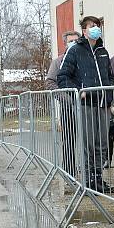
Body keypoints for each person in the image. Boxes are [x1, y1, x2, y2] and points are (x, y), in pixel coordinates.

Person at [57, 16, 114, 193]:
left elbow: (110, 77)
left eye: (97, 26)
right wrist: (78, 90)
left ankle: (98, 179)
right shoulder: (75, 50)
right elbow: (62, 77)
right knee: (89, 144)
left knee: (102, 144)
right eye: (92, 26)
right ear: (84, 31)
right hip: (87, 104)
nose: (96, 28)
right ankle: (89, 180)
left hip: (103, 104)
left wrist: (110, 96)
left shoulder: (102, 51)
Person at [46, 30, 81, 177]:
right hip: (68, 106)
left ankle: (89, 171)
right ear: (65, 43)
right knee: (69, 140)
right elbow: (50, 82)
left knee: (90, 140)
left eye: (76, 40)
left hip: (87, 105)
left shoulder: (86, 59)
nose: (73, 43)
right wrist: (66, 98)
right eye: (70, 41)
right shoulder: (58, 61)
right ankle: (70, 171)